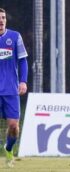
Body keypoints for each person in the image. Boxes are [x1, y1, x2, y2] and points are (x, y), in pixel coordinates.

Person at [0, 8, 28, 168]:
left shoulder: (14, 37)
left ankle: (8, 149)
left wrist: (23, 81)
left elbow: (23, 60)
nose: (1, 20)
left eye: (3, 17)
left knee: (13, 127)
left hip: (10, 90)